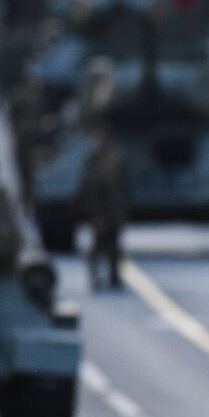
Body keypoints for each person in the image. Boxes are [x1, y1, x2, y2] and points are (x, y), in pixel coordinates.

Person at [80, 120, 128, 290]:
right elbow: (88, 186)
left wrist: (121, 212)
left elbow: (122, 187)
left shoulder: (116, 160)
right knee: (98, 246)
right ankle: (96, 278)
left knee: (113, 246)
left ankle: (114, 277)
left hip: (113, 209)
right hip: (99, 210)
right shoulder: (93, 160)